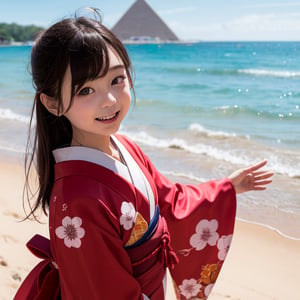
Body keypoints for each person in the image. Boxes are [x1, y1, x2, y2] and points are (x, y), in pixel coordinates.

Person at [15, 8, 273, 300]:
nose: (110, 100)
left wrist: (227, 188)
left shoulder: (125, 147)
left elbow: (170, 200)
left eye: (116, 79)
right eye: (86, 90)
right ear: (52, 104)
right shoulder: (78, 200)